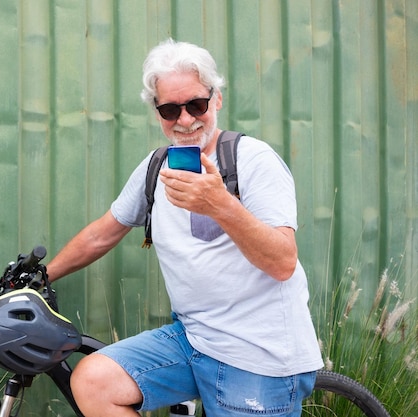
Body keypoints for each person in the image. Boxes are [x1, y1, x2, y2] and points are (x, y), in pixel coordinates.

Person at [45, 39, 323, 417]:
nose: (185, 120)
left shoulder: (253, 161)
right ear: (157, 113)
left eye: (196, 104)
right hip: (193, 339)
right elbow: (104, 232)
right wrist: (42, 275)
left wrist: (221, 204)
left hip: (258, 355)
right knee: (93, 382)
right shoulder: (156, 167)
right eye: (170, 109)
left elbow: (282, 262)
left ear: (217, 100)